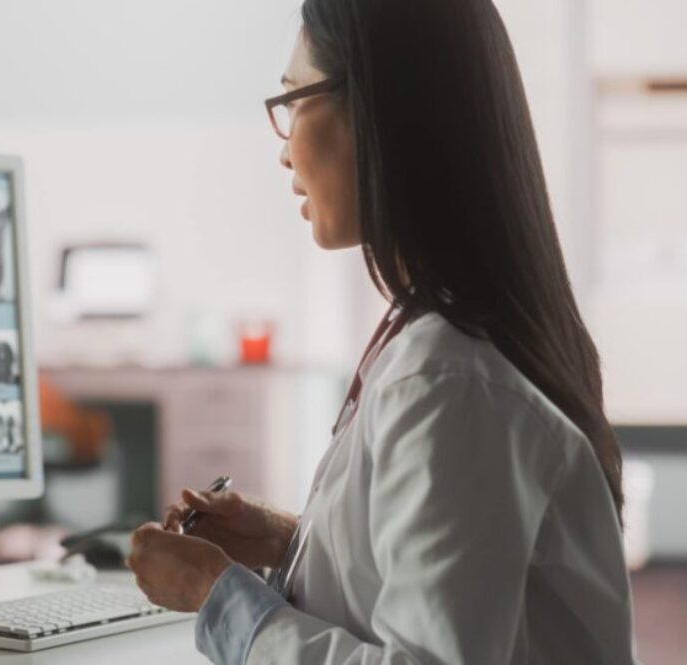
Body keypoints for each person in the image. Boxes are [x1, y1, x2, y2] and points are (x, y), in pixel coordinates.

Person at [125, 1, 636, 663]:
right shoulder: (449, 345)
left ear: (378, 114)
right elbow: (458, 574)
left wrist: (215, 592)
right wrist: (293, 540)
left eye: (294, 102)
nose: (284, 152)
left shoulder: (448, 378)